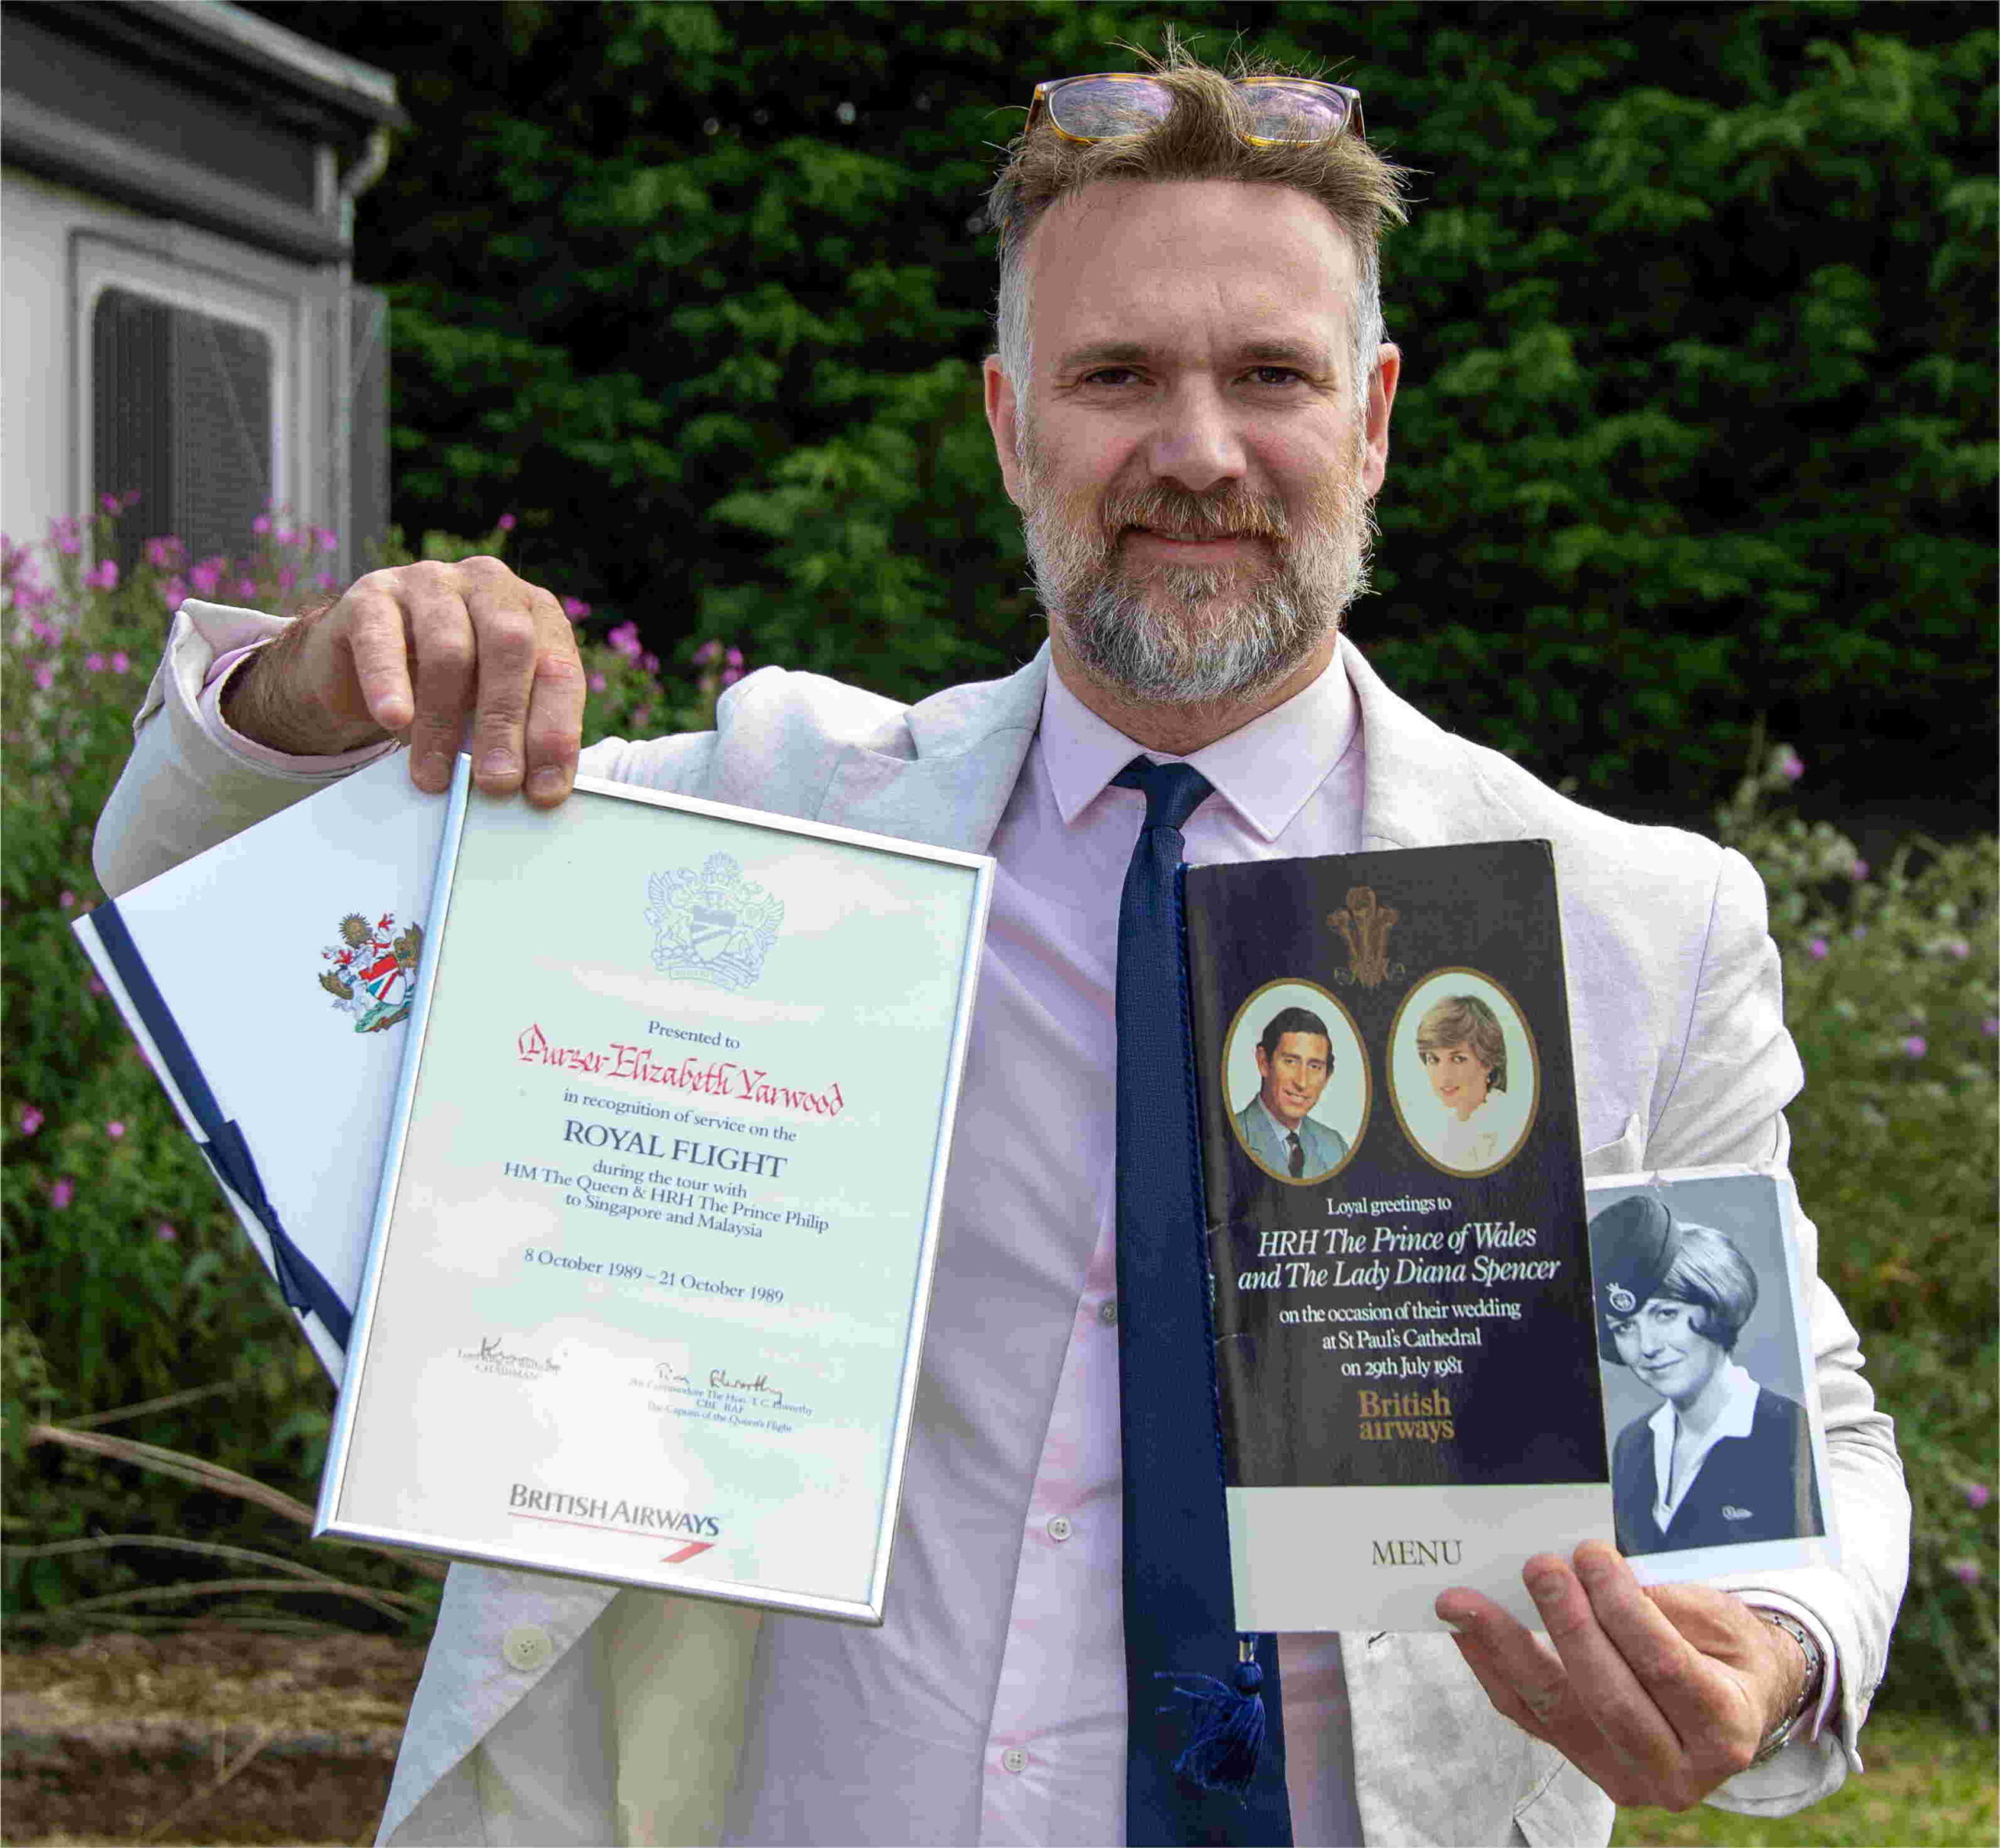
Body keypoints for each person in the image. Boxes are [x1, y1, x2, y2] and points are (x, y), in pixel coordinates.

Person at [94, 38, 1908, 1848]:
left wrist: (1769, 1646)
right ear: (1004, 418)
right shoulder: (755, 821)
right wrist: (311, 682)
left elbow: (1787, 1441)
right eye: (1115, 373)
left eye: (1267, 375)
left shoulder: (1618, 927)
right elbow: (191, 889)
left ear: (1368, 420)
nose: (1194, 450)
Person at [1589, 1196, 1824, 1557]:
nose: (1646, 1346)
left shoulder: (1791, 1434)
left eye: (1665, 1314)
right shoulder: (1632, 1447)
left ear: (1716, 1306)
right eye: (1624, 1327)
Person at [1234, 1005, 1350, 1181]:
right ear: (1264, 1062)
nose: (1302, 1082)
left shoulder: (1335, 1146)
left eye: (1314, 1066)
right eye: (1290, 1062)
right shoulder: (1230, 1137)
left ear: (1327, 1077)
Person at [1412, 992, 1508, 1170]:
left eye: (1458, 1059)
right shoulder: (1445, 1131)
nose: (1444, 1075)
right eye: (1434, 1059)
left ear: (1487, 1062)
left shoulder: (1502, 1130)